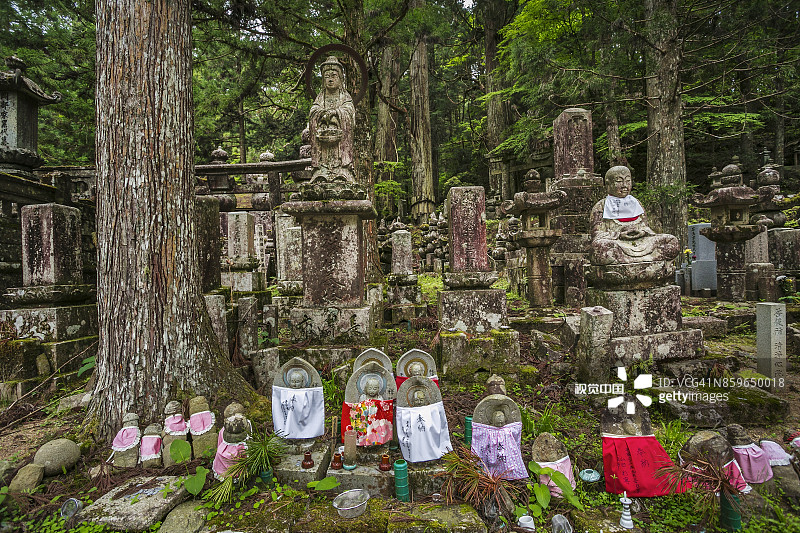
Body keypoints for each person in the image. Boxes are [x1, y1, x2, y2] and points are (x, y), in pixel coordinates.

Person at [589, 166, 679, 266]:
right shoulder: (601, 206)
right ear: (608, 184)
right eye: (619, 181)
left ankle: (633, 260)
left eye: (628, 181)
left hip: (642, 242)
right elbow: (597, 234)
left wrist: (642, 232)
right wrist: (619, 235)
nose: (624, 185)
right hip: (618, 244)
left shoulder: (636, 203)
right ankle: (646, 260)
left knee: (671, 240)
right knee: (601, 247)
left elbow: (645, 227)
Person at [309, 56, 355, 183]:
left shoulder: (345, 97)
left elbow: (349, 111)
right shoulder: (320, 98)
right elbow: (313, 111)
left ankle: (343, 170)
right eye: (327, 76)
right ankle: (320, 171)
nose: (330, 79)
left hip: (340, 141)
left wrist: (336, 113)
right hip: (323, 137)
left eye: (334, 76)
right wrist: (322, 114)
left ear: (340, 78)